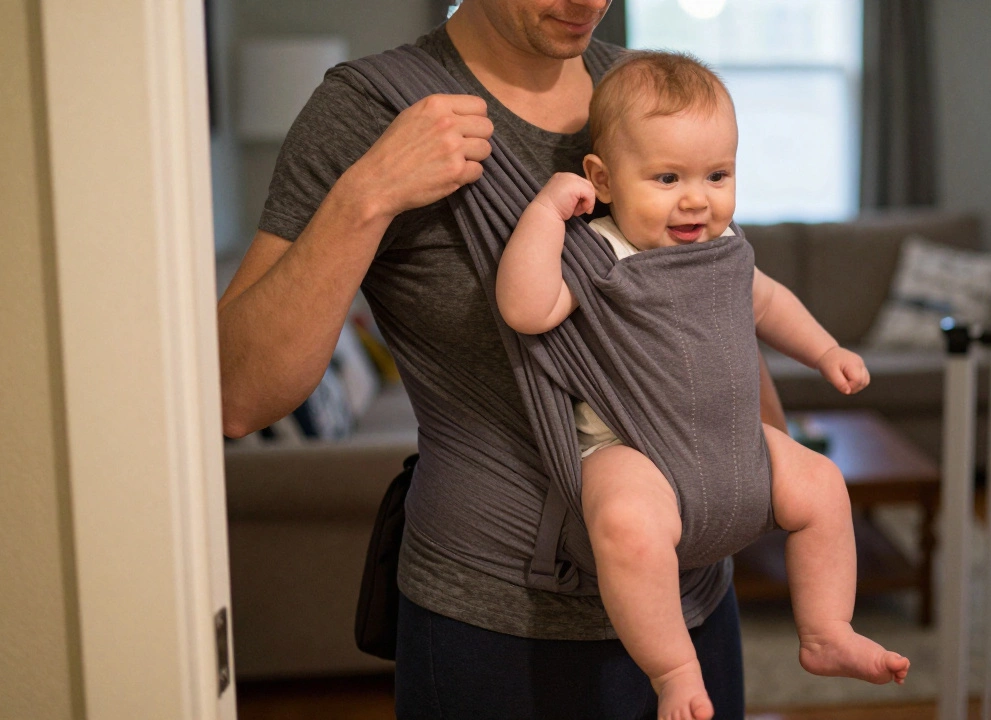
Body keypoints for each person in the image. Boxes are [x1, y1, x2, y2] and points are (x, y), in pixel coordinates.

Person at [217, 1, 787, 716]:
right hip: (495, 628)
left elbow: (711, 300)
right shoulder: (370, 110)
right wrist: (369, 194)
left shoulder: (646, 92)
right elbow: (237, 395)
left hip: (691, 601)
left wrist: (765, 480)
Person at [496, 52, 910, 720]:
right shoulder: (599, 253)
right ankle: (674, 669)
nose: (696, 198)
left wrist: (825, 350)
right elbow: (526, 309)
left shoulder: (726, 248)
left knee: (822, 485)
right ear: (602, 179)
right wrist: (546, 211)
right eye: (667, 178)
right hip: (630, 450)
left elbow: (769, 303)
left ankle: (826, 630)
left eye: (717, 175)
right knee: (626, 528)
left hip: (733, 443)